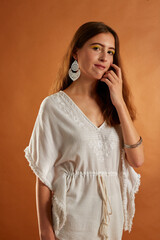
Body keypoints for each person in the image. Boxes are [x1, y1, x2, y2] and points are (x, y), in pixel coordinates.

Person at [24, 21, 144, 240]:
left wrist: (119, 102)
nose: (104, 57)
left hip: (111, 220)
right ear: (76, 53)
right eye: (96, 48)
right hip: (73, 220)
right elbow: (43, 176)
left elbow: (136, 160)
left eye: (110, 51)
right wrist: (45, 232)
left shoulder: (113, 105)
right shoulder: (53, 107)